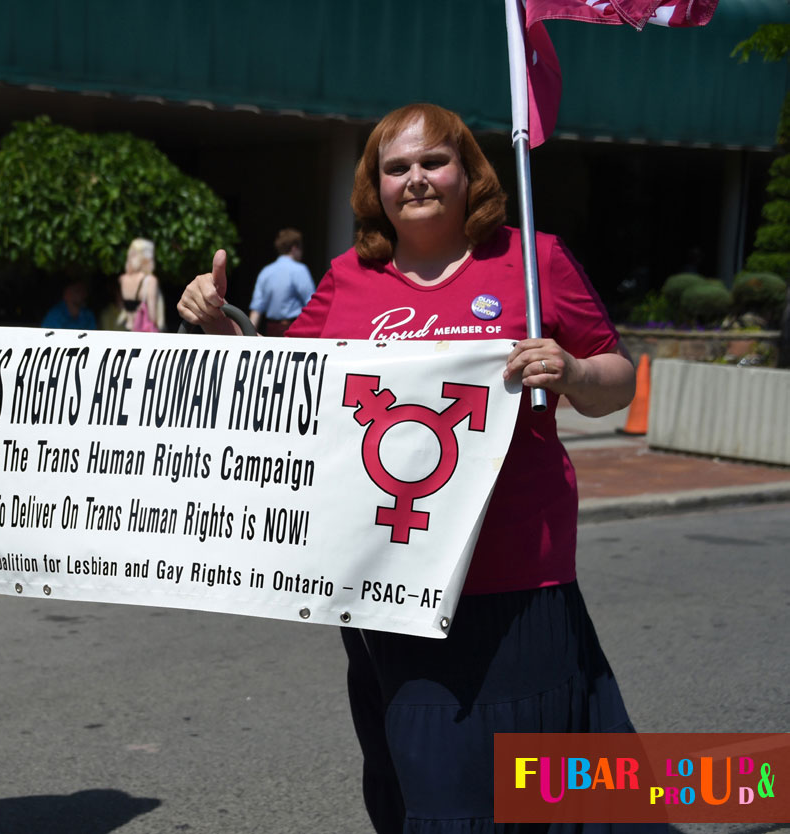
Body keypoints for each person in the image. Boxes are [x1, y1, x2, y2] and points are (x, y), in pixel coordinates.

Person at [178, 103, 638, 833]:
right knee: (431, 776)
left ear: (468, 173)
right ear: (374, 185)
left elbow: (618, 378)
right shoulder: (345, 278)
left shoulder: (532, 259)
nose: (415, 179)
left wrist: (574, 367)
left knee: (545, 783)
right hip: (388, 578)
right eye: (395, 167)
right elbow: (285, 385)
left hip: (519, 569)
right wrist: (220, 323)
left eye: (433, 162)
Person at [247, 227, 315, 337]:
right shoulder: (300, 270)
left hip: (271, 330)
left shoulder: (266, 271)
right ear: (294, 248)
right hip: (294, 329)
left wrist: (248, 335)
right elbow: (312, 304)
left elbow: (257, 308)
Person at [118, 237, 165, 332]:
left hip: (126, 328)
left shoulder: (123, 279)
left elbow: (124, 307)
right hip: (142, 332)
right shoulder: (150, 280)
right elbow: (152, 315)